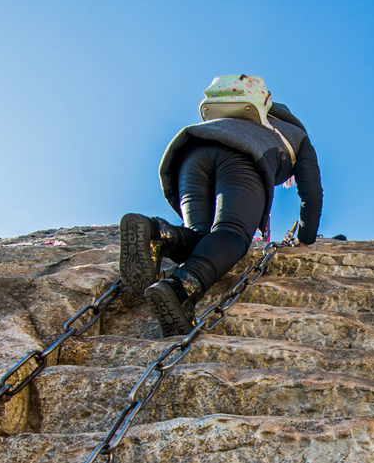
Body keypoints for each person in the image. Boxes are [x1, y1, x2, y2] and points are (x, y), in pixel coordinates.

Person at [120, 74, 323, 336]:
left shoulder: (231, 118)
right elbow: (312, 192)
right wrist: (306, 239)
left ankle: (158, 234)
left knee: (204, 237)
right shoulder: (297, 134)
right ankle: (181, 288)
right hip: (243, 157)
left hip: (189, 154)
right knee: (233, 234)